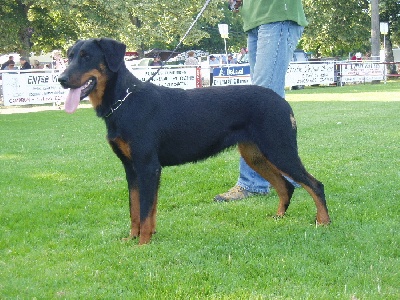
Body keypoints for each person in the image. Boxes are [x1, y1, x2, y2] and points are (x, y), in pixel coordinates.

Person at [214, 0, 307, 202]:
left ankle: (254, 183)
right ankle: (289, 174)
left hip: (277, 16)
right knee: (271, 103)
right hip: (255, 21)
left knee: (258, 104)